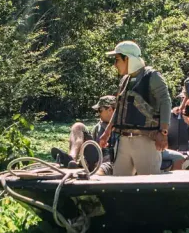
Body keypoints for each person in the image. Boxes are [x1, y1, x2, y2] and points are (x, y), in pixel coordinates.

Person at [99, 41, 171, 176]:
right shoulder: (125, 80)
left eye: (117, 60)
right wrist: (107, 132)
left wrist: (163, 132)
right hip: (124, 141)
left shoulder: (152, 76)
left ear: (128, 58)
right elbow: (120, 108)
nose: (115, 65)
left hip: (146, 141)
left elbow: (165, 102)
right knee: (118, 186)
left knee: (149, 186)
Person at [54, 96, 117, 175]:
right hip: (95, 156)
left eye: (100, 110)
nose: (98, 113)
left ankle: (95, 173)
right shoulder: (99, 126)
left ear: (110, 110)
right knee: (78, 126)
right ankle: (71, 158)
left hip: (110, 161)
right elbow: (92, 147)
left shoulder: (123, 127)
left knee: (105, 167)